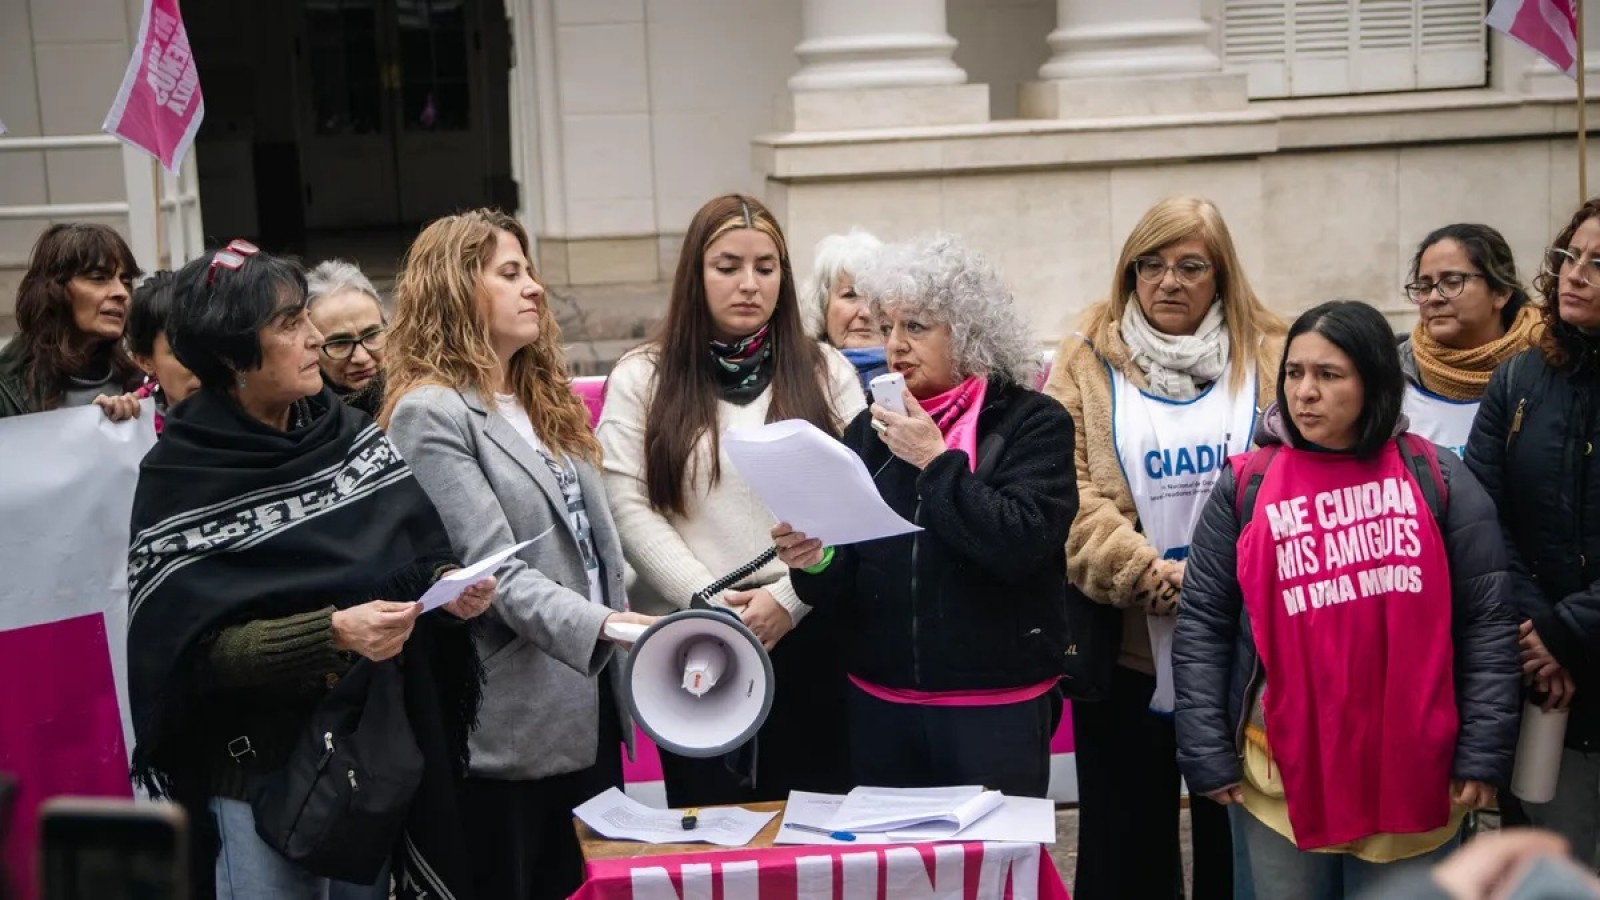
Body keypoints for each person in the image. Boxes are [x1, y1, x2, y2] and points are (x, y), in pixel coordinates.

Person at [126, 241, 494, 900]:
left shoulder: (344, 430)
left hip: (364, 756)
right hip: (253, 776)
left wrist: (448, 586)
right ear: (234, 356)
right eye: (291, 324)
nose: (316, 338)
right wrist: (332, 633)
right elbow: (193, 657)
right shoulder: (181, 473)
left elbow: (411, 548)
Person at [1175, 299, 1521, 899]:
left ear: (1375, 382)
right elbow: (1204, 622)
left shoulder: (1436, 478)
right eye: (1294, 373)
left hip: (1414, 772)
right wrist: (1206, 749)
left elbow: (1487, 624)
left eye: (1328, 375)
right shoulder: (1247, 484)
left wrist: (1482, 753)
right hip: (1278, 775)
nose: (1304, 393)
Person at [381, 210, 654, 899]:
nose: (534, 288)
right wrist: (609, 627)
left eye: (531, 271)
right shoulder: (431, 412)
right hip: (513, 722)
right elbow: (492, 569)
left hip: (592, 701)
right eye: (510, 273)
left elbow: (595, 547)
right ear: (455, 290)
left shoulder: (543, 398)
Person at [771, 234, 1075, 796]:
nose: (895, 345)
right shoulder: (869, 427)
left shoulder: (1035, 422)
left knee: (994, 882)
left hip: (996, 707)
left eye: (916, 327)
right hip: (881, 707)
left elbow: (1022, 542)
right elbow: (844, 579)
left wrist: (935, 461)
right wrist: (815, 560)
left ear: (968, 333)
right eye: (888, 327)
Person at [1044, 196, 1285, 899]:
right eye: (1150, 265)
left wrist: (1227, 584)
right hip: (1126, 657)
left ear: (1222, 277)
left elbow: (1300, 481)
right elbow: (1069, 494)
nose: (1168, 282)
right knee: (1127, 854)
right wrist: (1150, 577)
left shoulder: (1272, 355)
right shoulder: (1086, 360)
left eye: (1189, 266)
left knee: (1237, 852)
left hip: (1249, 659)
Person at [596, 194, 865, 807]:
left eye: (766, 268)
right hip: (696, 646)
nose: (749, 284)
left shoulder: (826, 371)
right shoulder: (642, 376)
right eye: (727, 266)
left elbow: (860, 501)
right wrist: (710, 603)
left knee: (811, 841)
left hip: (812, 633)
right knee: (715, 839)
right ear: (696, 273)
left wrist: (787, 600)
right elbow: (627, 503)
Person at [1465, 198, 1600, 872]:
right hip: (1545, 683)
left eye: (1598, 263)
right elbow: (1484, 518)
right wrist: (1536, 633)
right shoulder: (1519, 377)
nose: (1575, 274)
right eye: (1570, 256)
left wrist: (1569, 631)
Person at [1398, 224, 1541, 458]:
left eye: (1452, 282)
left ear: (1501, 292)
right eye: (1424, 286)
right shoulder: (1391, 378)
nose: (1433, 297)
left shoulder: (1551, 367)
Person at [0, 223, 145, 421]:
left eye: (126, 281)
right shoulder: (6, 387)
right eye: (99, 278)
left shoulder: (139, 379)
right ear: (53, 290)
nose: (121, 293)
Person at [804, 227, 886, 391]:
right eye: (850, 295)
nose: (866, 312)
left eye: (876, 298)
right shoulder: (796, 381)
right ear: (821, 304)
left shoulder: (916, 383)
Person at [306, 260, 388, 418]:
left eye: (371, 335)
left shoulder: (419, 402)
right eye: (340, 343)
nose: (362, 358)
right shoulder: (293, 423)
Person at [126, 270, 201, 432]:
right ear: (145, 361)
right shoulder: (133, 428)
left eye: (207, 345)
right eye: (181, 351)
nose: (200, 363)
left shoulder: (253, 413)